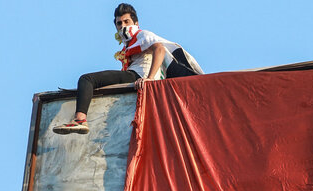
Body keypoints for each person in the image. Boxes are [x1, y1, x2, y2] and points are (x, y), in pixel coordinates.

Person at [53, 3, 203, 135]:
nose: (123, 26)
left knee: (87, 79)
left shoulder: (142, 35)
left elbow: (160, 49)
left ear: (136, 23)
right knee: (96, 84)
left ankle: (80, 119)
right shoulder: (128, 45)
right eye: (119, 23)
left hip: (138, 76)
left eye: (127, 21)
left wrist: (149, 79)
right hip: (133, 77)